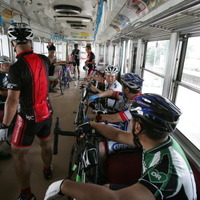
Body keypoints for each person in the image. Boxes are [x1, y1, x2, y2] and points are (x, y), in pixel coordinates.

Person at [45, 93, 197, 200]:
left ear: (137, 127)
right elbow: (118, 135)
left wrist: (63, 185)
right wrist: (91, 124)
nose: (128, 121)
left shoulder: (167, 171)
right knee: (105, 188)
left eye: (132, 119)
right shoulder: (157, 140)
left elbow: (116, 198)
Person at [0, 22, 53, 200]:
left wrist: (4, 125)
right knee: (45, 143)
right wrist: (51, 49)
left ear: (12, 43)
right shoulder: (44, 60)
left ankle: (26, 195)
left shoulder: (16, 68)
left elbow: (12, 101)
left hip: (28, 118)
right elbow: (51, 59)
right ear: (30, 41)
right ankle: (47, 169)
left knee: (18, 153)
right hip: (47, 113)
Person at [0, 55, 12, 160]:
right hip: (1, 104)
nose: (8, 66)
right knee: (2, 127)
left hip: (5, 103)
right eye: (6, 65)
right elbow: (2, 92)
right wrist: (14, 92)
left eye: (9, 65)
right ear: (1, 66)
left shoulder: (4, 75)